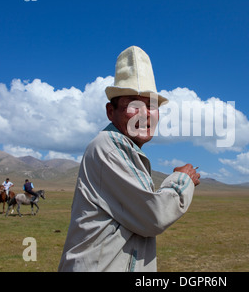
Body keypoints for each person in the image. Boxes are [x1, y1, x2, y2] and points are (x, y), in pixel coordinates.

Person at [58, 46, 200, 272]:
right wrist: (182, 180)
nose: (145, 113)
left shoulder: (123, 149)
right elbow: (154, 215)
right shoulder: (110, 147)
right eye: (133, 104)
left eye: (152, 105)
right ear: (110, 112)